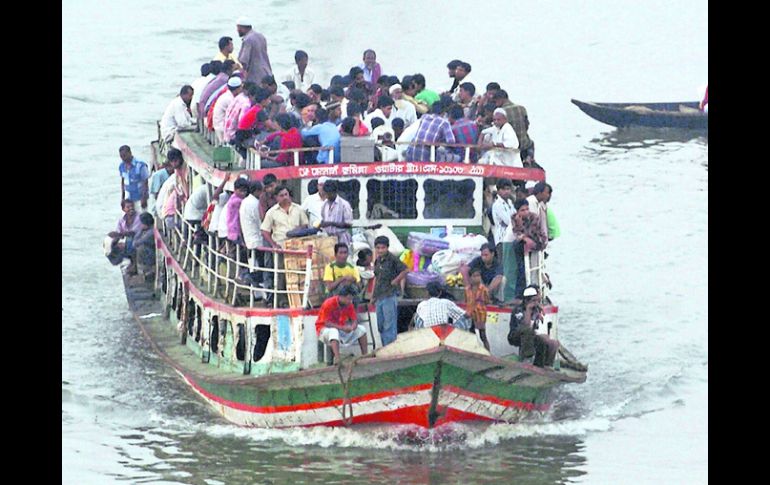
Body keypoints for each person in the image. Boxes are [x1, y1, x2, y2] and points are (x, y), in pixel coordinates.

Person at [260, 185, 309, 304]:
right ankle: (282, 300)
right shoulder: (271, 212)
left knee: (299, 274)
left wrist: (298, 229)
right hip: (281, 248)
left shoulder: (298, 209)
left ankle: (300, 299)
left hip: (298, 247)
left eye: (286, 194)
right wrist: (273, 245)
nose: (285, 198)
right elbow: (264, 231)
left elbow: (306, 225)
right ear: (276, 198)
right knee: (281, 275)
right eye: (281, 196)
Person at [316, 284, 369, 365]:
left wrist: (353, 326)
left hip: (340, 329)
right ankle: (337, 359)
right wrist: (342, 328)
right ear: (341, 296)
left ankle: (365, 356)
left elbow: (354, 320)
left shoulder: (349, 304)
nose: (350, 301)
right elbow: (326, 323)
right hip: (324, 330)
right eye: (348, 299)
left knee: (361, 329)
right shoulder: (328, 303)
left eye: (351, 299)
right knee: (333, 331)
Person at [507, 286, 559, 367]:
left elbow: (537, 327)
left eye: (537, 300)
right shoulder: (519, 310)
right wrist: (528, 309)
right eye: (533, 300)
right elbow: (526, 325)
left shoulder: (536, 310)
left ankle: (545, 365)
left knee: (552, 343)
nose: (536, 303)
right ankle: (527, 359)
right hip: (516, 335)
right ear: (527, 300)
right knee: (528, 330)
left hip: (531, 334)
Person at [372, 235, 409, 346]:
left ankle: (390, 348)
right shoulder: (377, 261)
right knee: (380, 325)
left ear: (387, 248)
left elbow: (406, 270)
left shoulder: (393, 259)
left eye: (383, 248)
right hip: (379, 296)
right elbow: (376, 278)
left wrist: (396, 280)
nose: (380, 250)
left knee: (389, 325)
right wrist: (373, 296)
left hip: (390, 295)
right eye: (378, 248)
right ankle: (385, 347)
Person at [493, 90, 534, 162]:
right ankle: (529, 159)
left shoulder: (500, 112)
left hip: (511, 147)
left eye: (495, 102)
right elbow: (526, 125)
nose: (495, 104)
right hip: (524, 144)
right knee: (530, 143)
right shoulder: (521, 108)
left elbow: (497, 130)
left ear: (500, 99)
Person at [107, 199, 144, 270]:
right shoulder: (122, 220)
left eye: (132, 206)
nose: (131, 208)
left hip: (139, 239)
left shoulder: (139, 217)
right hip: (127, 240)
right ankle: (125, 261)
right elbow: (118, 232)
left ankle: (134, 264)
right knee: (113, 245)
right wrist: (114, 242)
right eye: (128, 207)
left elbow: (134, 232)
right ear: (123, 209)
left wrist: (119, 234)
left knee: (130, 241)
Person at [236, 17, 272, 85]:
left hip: (255, 77)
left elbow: (243, 61)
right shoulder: (261, 36)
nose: (237, 30)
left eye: (238, 28)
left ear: (243, 28)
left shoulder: (247, 40)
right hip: (267, 72)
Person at [319, 179, 353, 247]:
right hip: (328, 238)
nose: (328, 196)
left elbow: (349, 224)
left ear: (335, 192)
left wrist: (331, 223)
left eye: (330, 193)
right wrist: (322, 224)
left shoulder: (344, 204)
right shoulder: (324, 204)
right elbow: (323, 218)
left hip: (342, 239)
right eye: (326, 193)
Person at [465, 267, 491, 350]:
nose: (477, 278)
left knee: (483, 335)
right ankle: (473, 351)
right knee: (471, 334)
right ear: (470, 278)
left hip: (480, 314)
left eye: (478, 276)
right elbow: (466, 301)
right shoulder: (467, 290)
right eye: (474, 276)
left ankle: (488, 354)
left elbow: (487, 301)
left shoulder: (484, 289)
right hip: (470, 314)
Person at [213, 76, 244, 143]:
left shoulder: (227, 95)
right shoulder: (229, 99)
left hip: (219, 125)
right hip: (221, 128)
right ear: (237, 89)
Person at [118, 145, 150, 210]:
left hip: (140, 198)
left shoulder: (140, 165)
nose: (123, 158)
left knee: (142, 217)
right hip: (129, 199)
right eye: (121, 156)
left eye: (124, 155)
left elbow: (145, 182)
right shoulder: (121, 166)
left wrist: (144, 198)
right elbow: (123, 182)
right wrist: (122, 198)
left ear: (130, 153)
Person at [491, 178, 514, 251]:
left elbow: (516, 216)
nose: (506, 191)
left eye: (508, 189)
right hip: (502, 239)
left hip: (511, 238)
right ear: (498, 191)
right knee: (503, 261)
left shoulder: (510, 202)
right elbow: (508, 221)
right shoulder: (497, 204)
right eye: (503, 189)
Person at [133, 212, 157, 277]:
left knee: (140, 248)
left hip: (152, 254)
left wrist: (140, 230)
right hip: (150, 251)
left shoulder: (150, 233)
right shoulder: (148, 230)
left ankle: (147, 270)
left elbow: (135, 243)